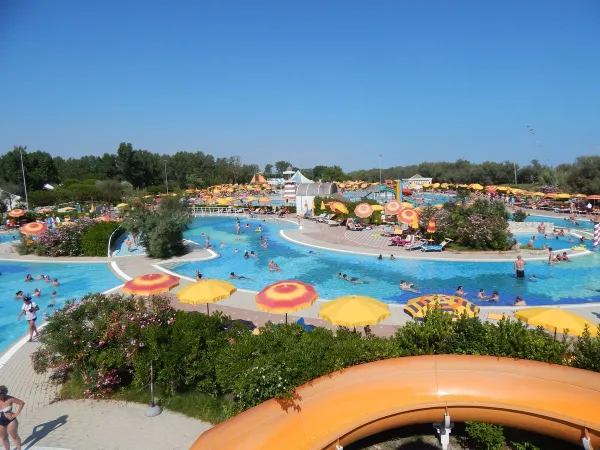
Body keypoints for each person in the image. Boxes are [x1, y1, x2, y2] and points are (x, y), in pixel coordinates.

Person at [0, 385, 24, 450]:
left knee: (14, 436)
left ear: (3, 394)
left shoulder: (10, 399)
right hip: (0, 421)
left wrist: (16, 414)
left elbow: (22, 403)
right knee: (4, 438)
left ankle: (19, 448)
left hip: (11, 420)